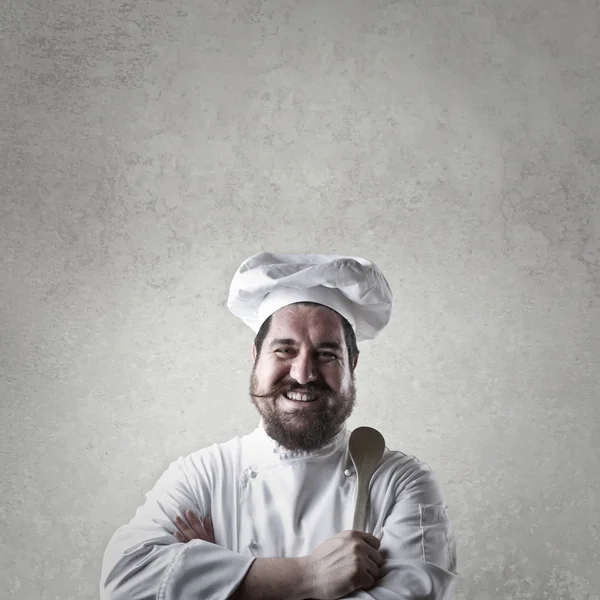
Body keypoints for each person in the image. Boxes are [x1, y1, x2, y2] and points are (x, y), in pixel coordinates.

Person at [100, 251, 458, 600]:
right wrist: (308, 576)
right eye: (284, 350)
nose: (303, 374)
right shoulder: (204, 475)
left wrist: (217, 584)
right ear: (256, 358)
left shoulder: (400, 482)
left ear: (353, 366)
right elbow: (124, 582)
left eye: (327, 354)